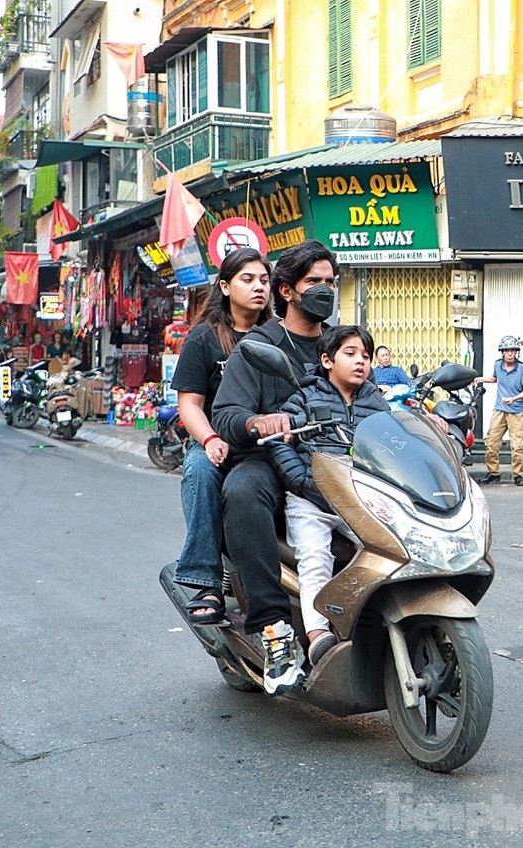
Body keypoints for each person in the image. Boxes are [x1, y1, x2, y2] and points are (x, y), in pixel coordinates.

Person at [211, 239, 340, 696]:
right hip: (266, 459)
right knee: (243, 492)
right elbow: (224, 414)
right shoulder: (259, 347)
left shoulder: (341, 344)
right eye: (314, 282)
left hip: (332, 461)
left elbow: (373, 399)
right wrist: (256, 420)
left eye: (330, 282)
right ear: (286, 290)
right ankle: (274, 632)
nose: (324, 290)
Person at [267, 325, 390, 682]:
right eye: (350, 354)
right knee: (315, 557)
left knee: (386, 553)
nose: (360, 362)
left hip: (360, 499)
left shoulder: (376, 401)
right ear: (327, 360)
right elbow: (279, 440)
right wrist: (303, 481)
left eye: (365, 356)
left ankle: (368, 623)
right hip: (312, 499)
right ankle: (317, 634)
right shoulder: (305, 396)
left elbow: (392, 441)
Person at [169, 248, 274, 624]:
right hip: (215, 440)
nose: (258, 287)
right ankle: (205, 580)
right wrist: (211, 440)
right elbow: (190, 404)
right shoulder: (204, 338)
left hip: (268, 443)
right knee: (199, 470)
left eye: (264, 279)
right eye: (248, 279)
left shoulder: (276, 336)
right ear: (226, 287)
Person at [475, 335, 523, 487]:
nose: (509, 354)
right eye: (506, 351)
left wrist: (514, 399)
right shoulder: (497, 365)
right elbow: (495, 379)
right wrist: (479, 379)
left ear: (516, 352)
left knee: (517, 445)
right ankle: (494, 472)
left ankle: (518, 475)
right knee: (491, 442)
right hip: (500, 410)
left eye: (512, 351)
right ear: (502, 352)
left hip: (518, 411)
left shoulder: (522, 368)